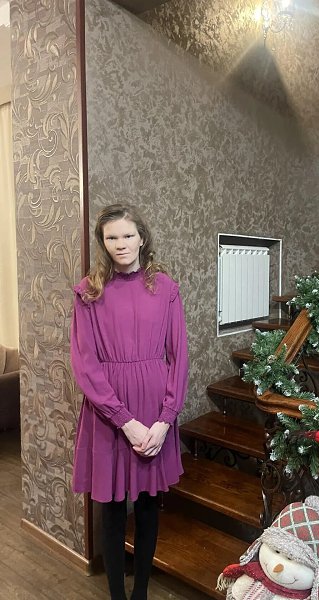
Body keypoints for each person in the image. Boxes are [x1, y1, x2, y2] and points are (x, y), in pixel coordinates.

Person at [70, 203, 189, 600]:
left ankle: (140, 592)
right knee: (112, 507)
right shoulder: (88, 292)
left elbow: (179, 357)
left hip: (155, 409)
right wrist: (124, 419)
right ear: (103, 243)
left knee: (150, 504)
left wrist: (165, 419)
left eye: (127, 235)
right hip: (108, 413)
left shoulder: (166, 289)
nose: (120, 244)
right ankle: (117, 596)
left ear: (141, 238)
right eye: (111, 237)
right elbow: (85, 364)